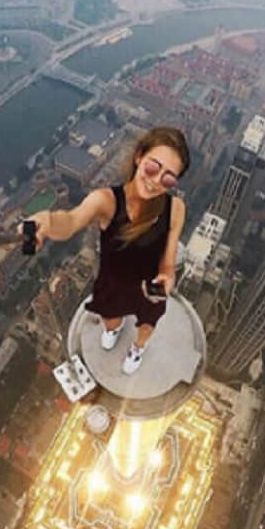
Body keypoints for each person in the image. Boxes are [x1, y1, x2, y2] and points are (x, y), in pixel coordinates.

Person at [22, 127, 189, 376]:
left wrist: (167, 277)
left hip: (149, 285)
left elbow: (168, 259)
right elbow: (71, 221)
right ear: (139, 157)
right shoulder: (107, 201)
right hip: (114, 281)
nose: (156, 181)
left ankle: (137, 349)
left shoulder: (175, 208)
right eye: (153, 167)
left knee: (148, 324)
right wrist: (47, 222)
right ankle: (114, 329)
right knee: (110, 319)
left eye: (168, 178)